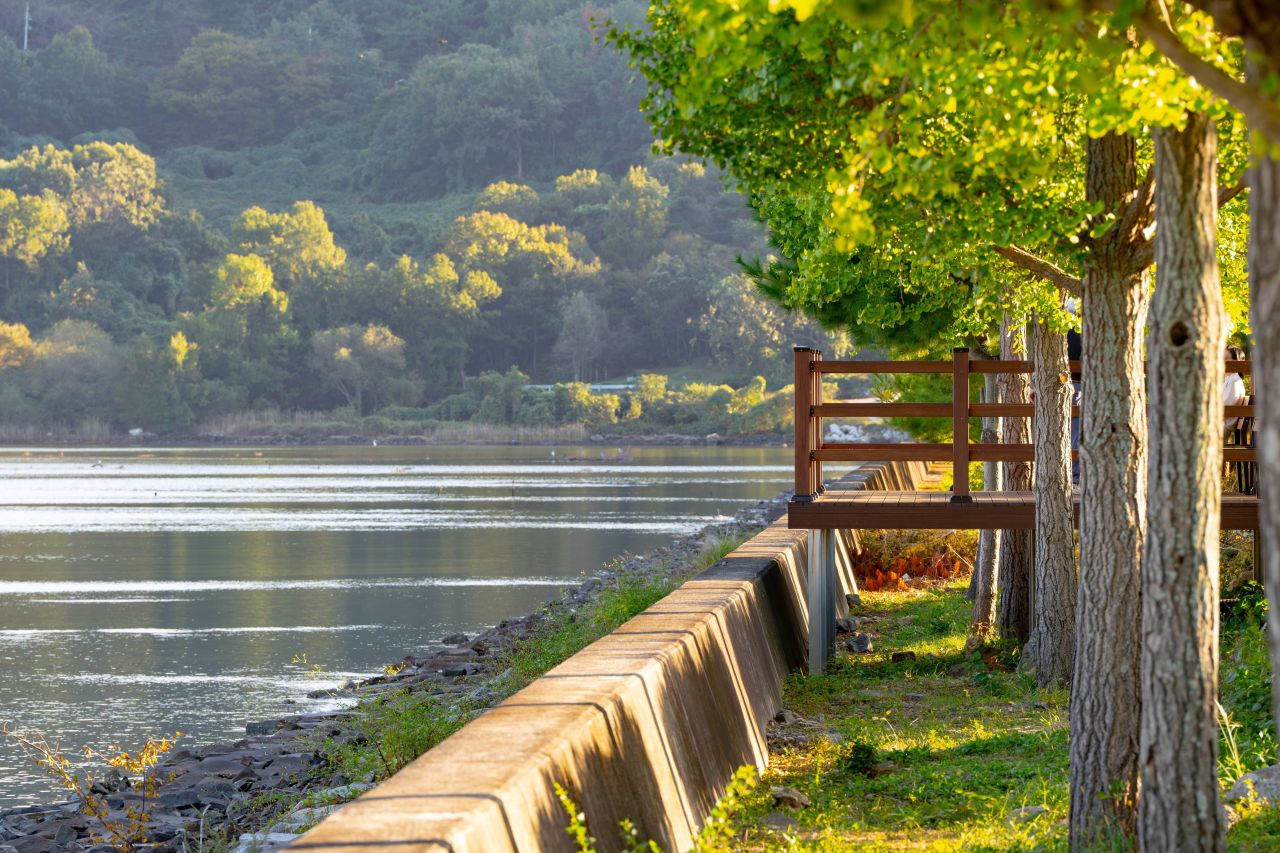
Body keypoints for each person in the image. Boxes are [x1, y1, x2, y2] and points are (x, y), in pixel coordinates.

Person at [1224, 345, 1248, 438]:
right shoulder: (1228, 379)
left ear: (1236, 362)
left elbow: (1227, 406)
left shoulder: (1234, 380)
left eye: (1225, 358)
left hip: (1222, 427)